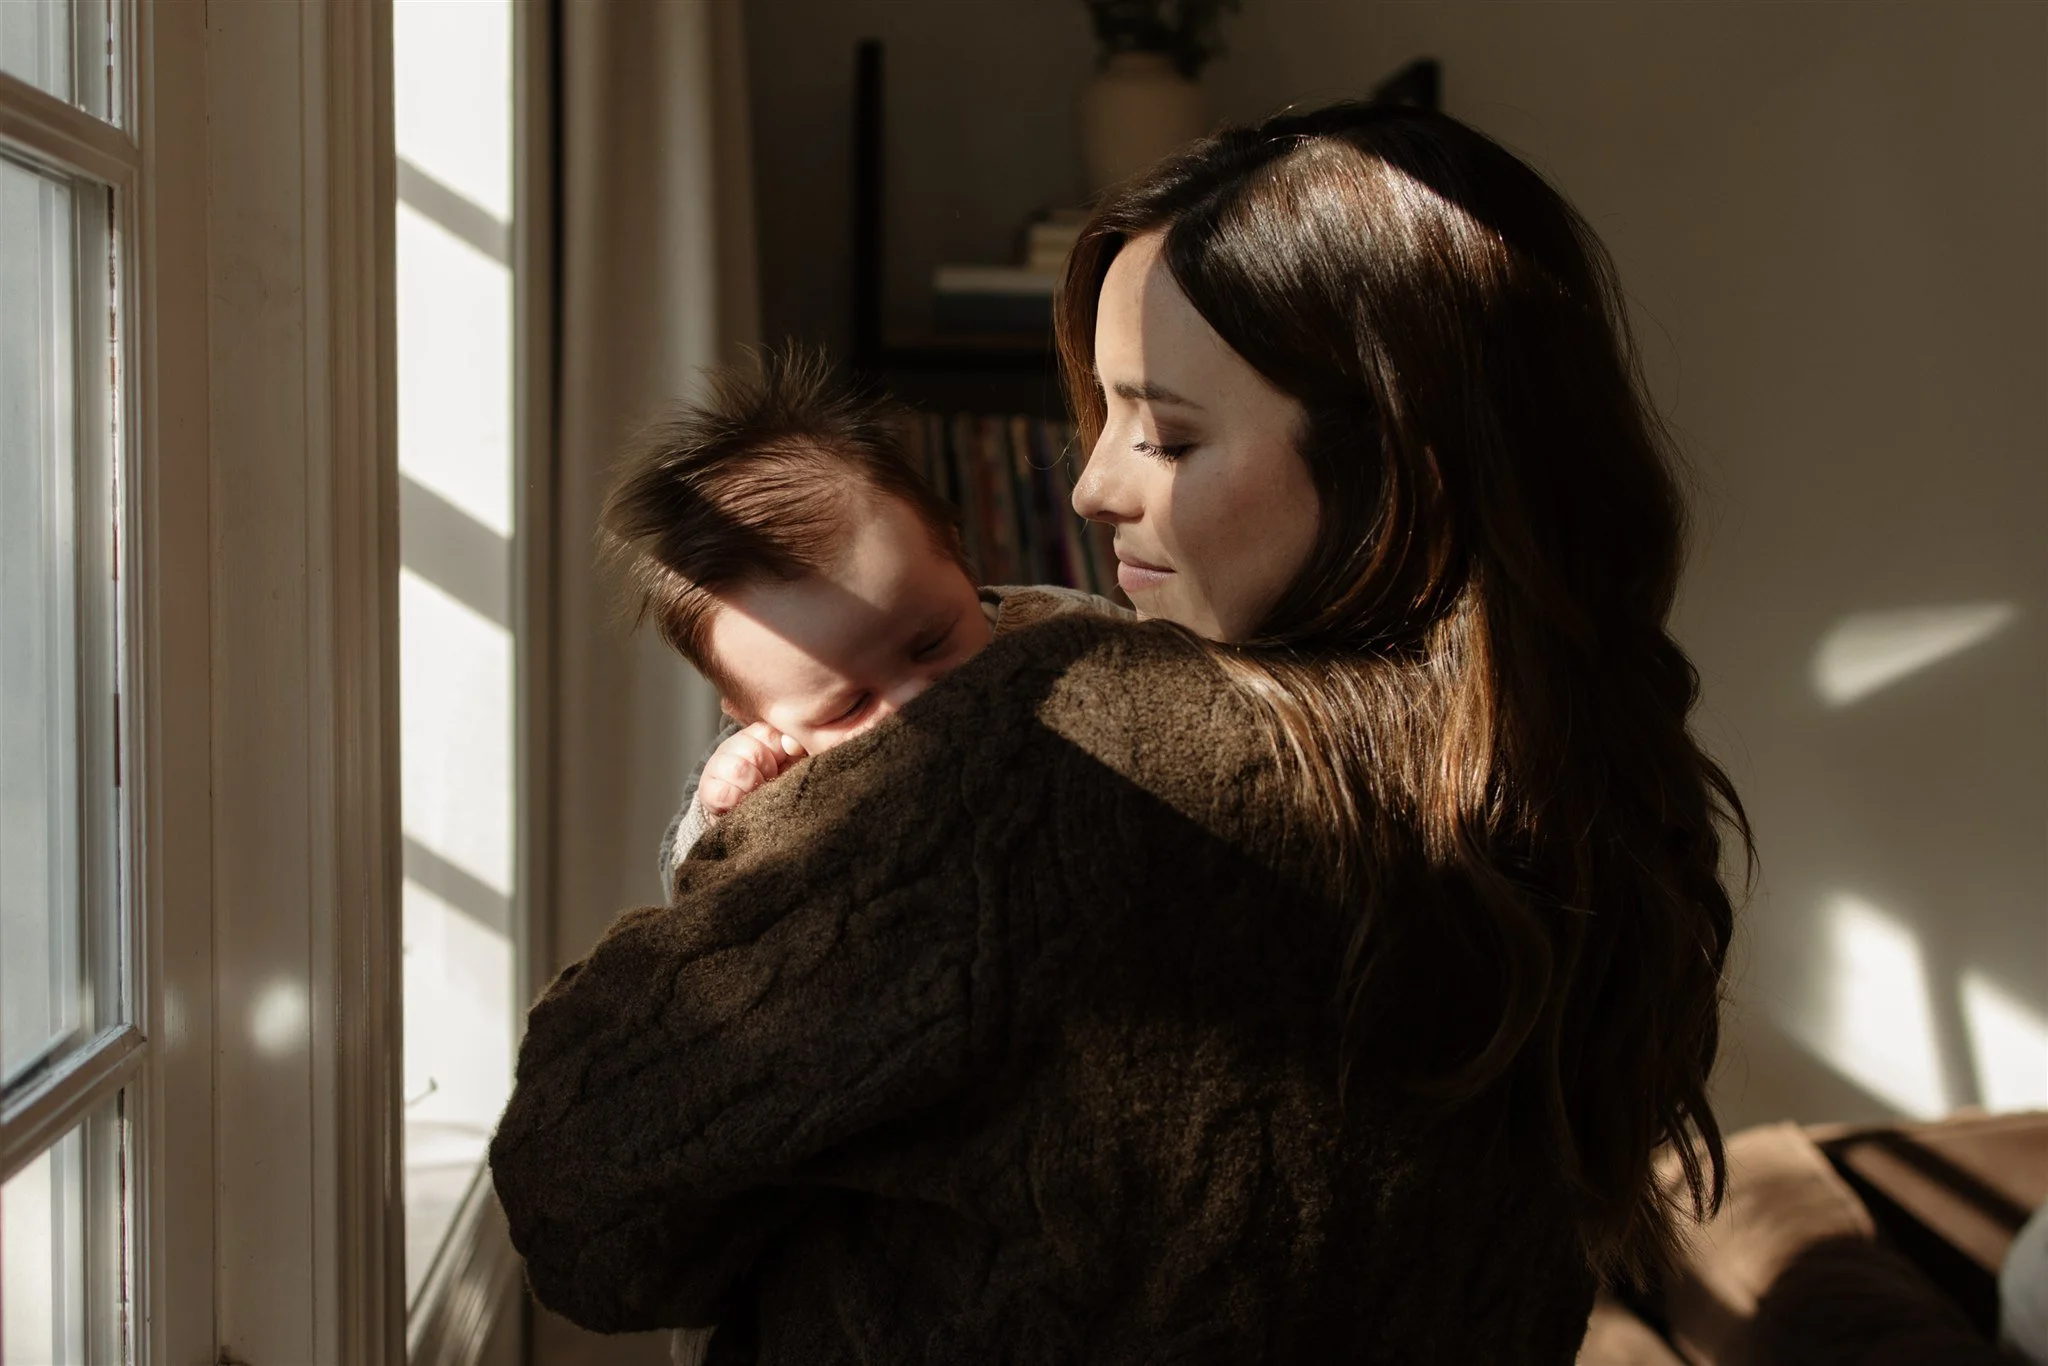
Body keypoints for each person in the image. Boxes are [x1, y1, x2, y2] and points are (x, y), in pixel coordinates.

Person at [490, 101, 1748, 1364]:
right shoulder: (1604, 796)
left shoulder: (1051, 754)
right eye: (1101, 416)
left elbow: (580, 1187)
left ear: (1394, 458)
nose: (1092, 485)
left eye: (1167, 436)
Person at [600, 349, 1123, 888]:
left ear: (954, 552)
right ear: (753, 714)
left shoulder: (1059, 628)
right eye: (850, 706)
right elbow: (688, 892)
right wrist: (720, 816)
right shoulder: (774, 768)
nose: (913, 701)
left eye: (930, 644)